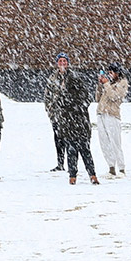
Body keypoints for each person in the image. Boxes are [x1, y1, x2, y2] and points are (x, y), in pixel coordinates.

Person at [46, 53, 97, 184]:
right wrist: (53, 113)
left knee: (83, 149)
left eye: (64, 61)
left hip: (78, 120)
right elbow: (49, 98)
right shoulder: (53, 78)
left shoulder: (75, 80)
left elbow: (86, 98)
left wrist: (78, 107)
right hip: (64, 119)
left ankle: (91, 174)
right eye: (60, 61)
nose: (62, 63)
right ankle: (69, 172)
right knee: (70, 148)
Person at [95, 64, 129, 176]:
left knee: (115, 141)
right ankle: (111, 166)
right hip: (101, 113)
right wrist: (100, 85)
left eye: (111, 72)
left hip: (112, 114)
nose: (109, 75)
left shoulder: (122, 83)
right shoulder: (107, 84)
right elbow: (97, 98)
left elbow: (114, 96)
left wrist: (106, 84)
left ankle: (121, 168)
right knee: (104, 141)